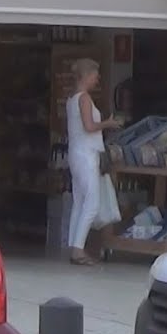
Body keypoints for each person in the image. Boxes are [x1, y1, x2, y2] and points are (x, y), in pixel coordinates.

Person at [65, 58, 122, 265]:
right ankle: (78, 250)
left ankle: (74, 246)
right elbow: (89, 126)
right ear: (87, 76)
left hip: (75, 153)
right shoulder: (85, 99)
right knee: (91, 202)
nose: (97, 79)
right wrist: (108, 123)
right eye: (95, 75)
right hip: (87, 155)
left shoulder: (72, 98)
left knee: (79, 202)